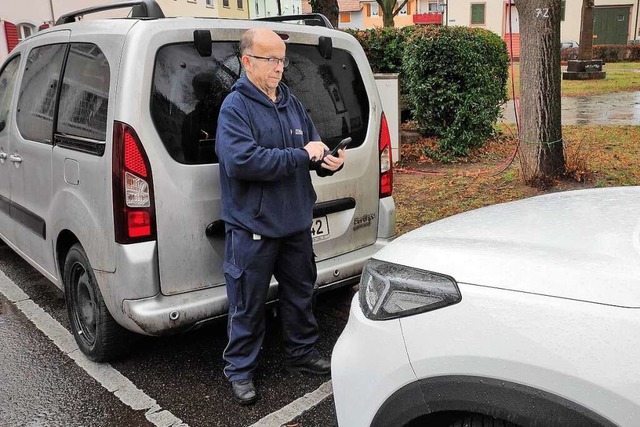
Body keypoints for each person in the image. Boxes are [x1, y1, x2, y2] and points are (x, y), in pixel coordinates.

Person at [214, 27, 345, 405]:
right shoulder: (235, 108)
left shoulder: (291, 102)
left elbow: (312, 149)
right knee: (247, 305)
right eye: (270, 60)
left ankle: (301, 353)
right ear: (247, 61)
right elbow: (242, 161)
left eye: (282, 60)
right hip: (252, 228)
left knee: (301, 294)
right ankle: (240, 370)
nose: (278, 68)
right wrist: (304, 156)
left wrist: (328, 162)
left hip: (295, 224)